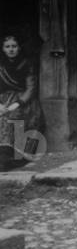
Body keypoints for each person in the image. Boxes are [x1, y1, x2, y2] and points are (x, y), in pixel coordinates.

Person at [0, 33, 45, 171]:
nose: (11, 49)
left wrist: (17, 103)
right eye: (7, 47)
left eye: (14, 46)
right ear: (3, 49)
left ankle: (14, 157)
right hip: (3, 99)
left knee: (15, 116)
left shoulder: (26, 63)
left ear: (19, 48)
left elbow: (31, 88)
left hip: (24, 101)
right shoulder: (1, 65)